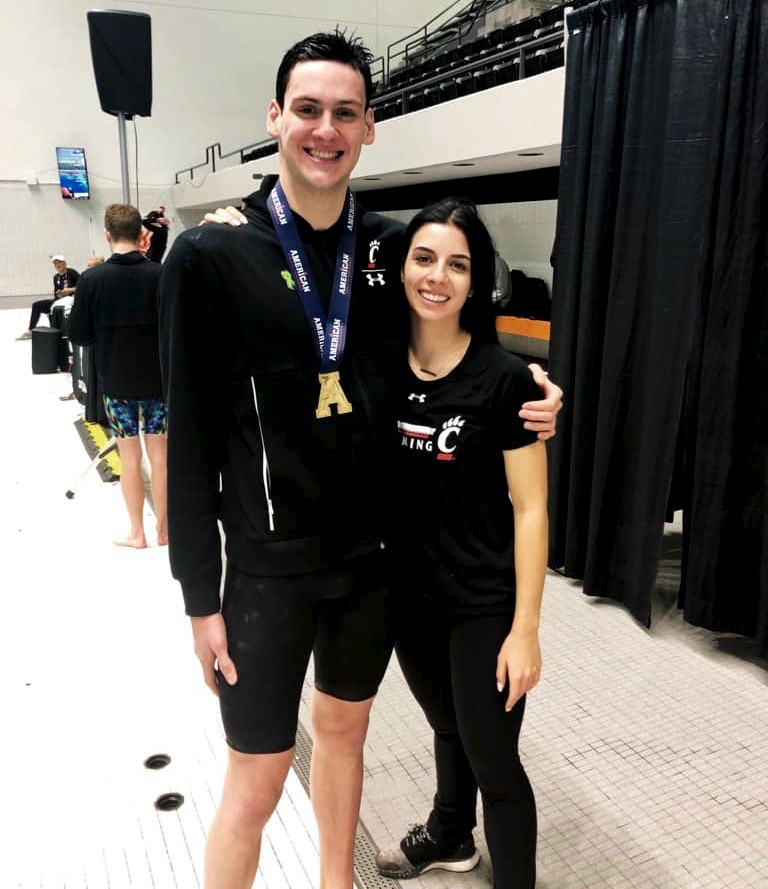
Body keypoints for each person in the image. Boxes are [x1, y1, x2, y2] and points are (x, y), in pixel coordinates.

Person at [158, 30, 562, 889]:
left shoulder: (385, 248)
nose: (325, 129)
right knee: (258, 780)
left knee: (344, 740)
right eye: (307, 109)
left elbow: (453, 333)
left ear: (370, 127)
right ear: (275, 117)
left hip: (368, 569)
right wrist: (199, 595)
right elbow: (187, 440)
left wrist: (528, 389)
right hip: (265, 572)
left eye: (345, 112)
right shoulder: (210, 255)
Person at [374, 198, 546, 889]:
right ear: (402, 268)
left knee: (494, 760)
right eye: (424, 258)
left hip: (483, 603)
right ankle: (451, 832)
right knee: (447, 725)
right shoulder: (376, 365)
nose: (437, 276)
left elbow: (531, 508)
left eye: (458, 264)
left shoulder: (505, 380)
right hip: (409, 597)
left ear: (477, 282)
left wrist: (526, 630)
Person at [68, 204, 167, 549]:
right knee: (160, 456)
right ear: (141, 235)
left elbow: (78, 334)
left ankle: (137, 532)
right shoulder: (159, 274)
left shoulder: (91, 279)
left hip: (116, 383)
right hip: (158, 382)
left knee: (130, 457)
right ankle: (165, 531)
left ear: (107, 235)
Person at [17, 255, 80, 339]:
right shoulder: (56, 277)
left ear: (65, 263)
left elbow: (82, 286)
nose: (57, 265)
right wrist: (59, 294)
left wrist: (70, 290)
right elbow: (56, 294)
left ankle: (59, 331)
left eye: (59, 262)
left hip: (71, 301)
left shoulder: (72, 273)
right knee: (37, 305)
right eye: (55, 263)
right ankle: (31, 331)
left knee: (56, 308)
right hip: (59, 301)